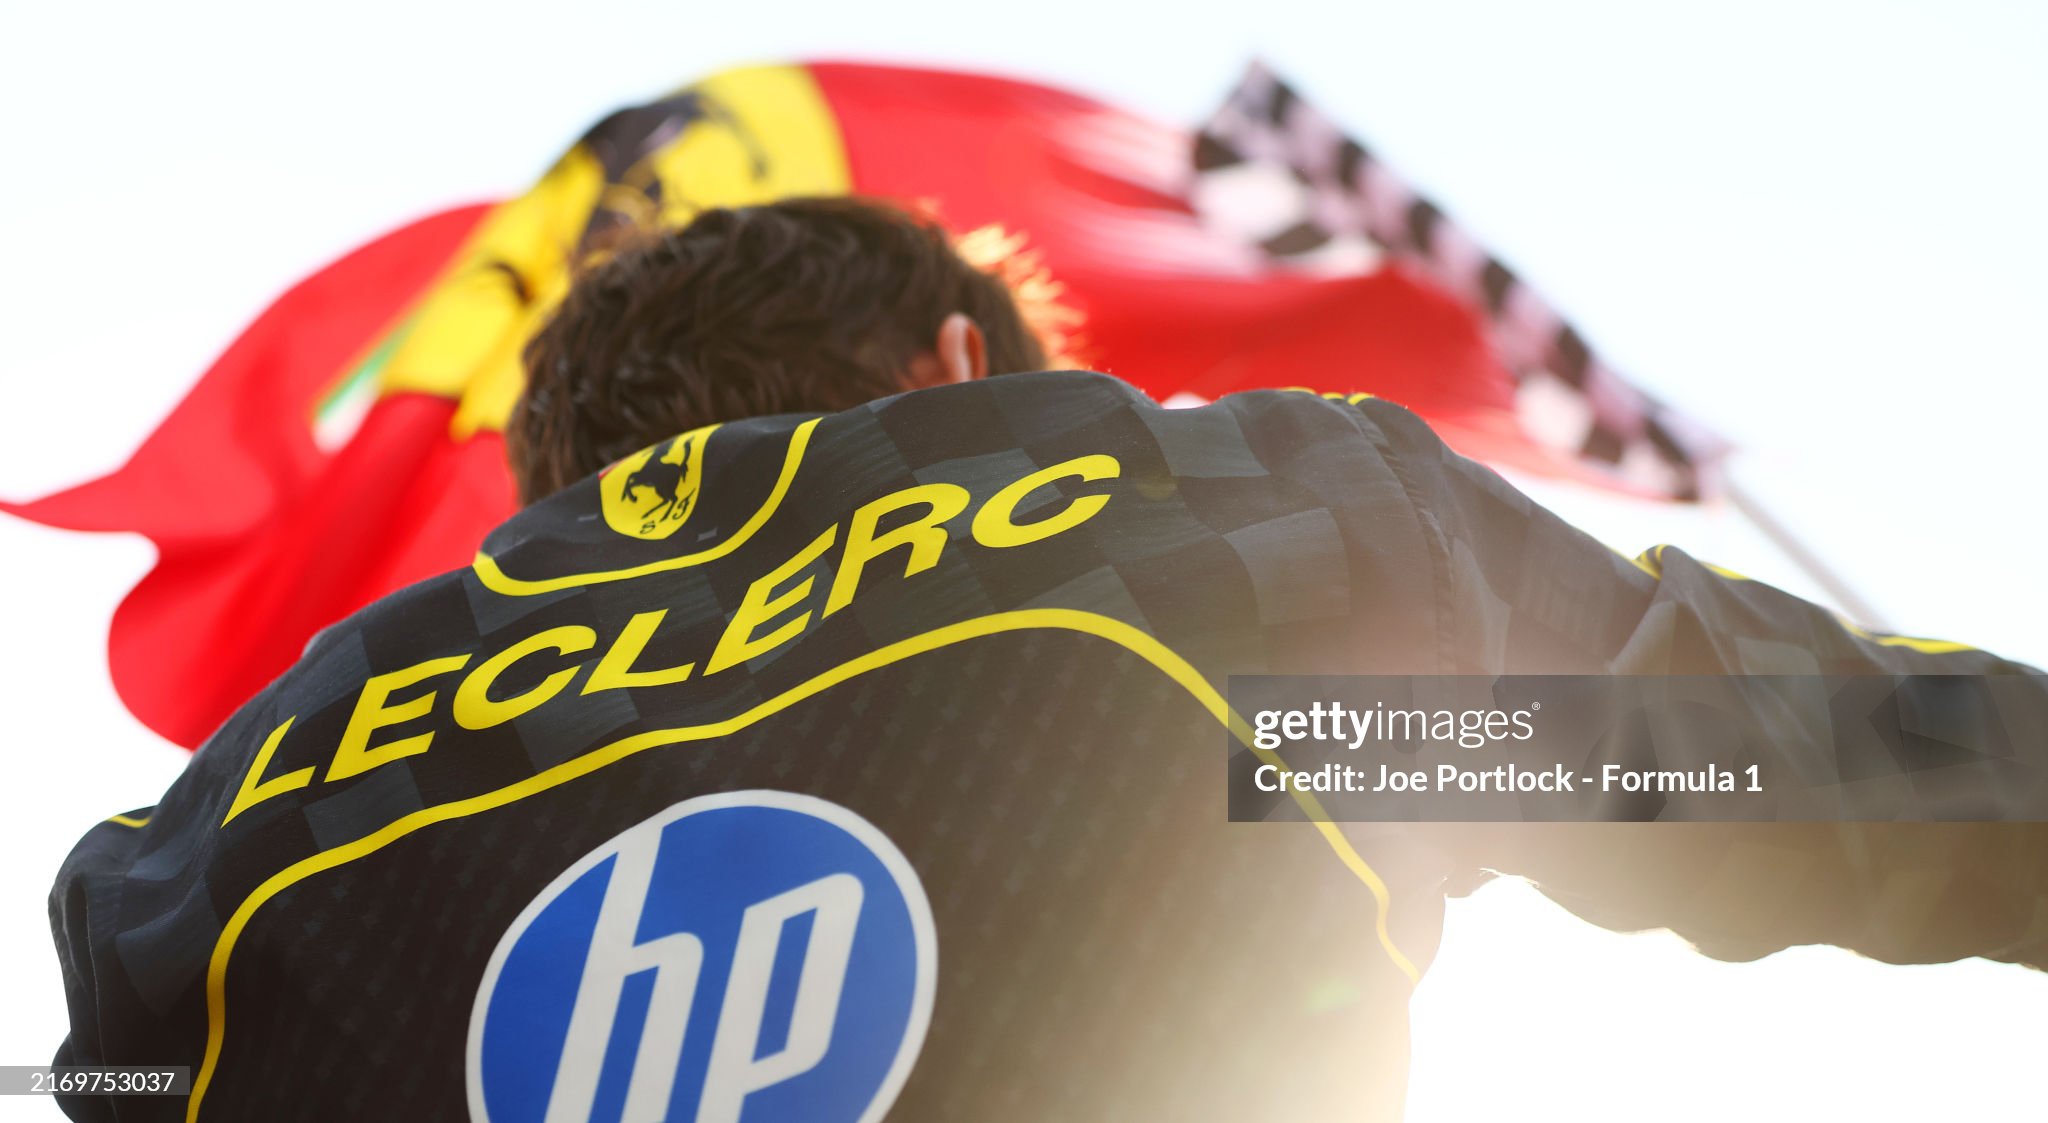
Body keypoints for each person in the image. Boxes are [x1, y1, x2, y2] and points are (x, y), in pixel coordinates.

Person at [51, 197, 2046, 1122]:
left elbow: (111, 1079)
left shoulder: (241, 830)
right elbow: (1803, 769)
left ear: (551, 484)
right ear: (955, 372)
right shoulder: (1215, 554)